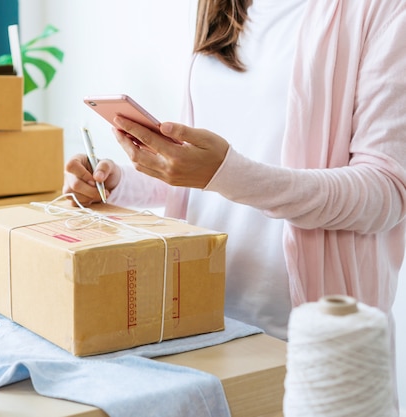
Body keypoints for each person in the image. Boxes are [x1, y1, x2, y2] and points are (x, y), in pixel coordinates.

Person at [63, 0, 405, 412]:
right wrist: (116, 182)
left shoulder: (383, 10)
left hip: (305, 342)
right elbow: (210, 172)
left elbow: (386, 193)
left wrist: (224, 173)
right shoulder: (221, 5)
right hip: (198, 322)